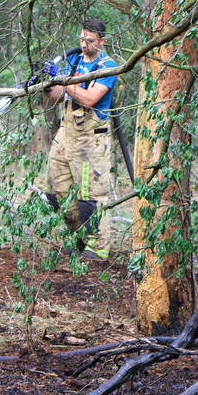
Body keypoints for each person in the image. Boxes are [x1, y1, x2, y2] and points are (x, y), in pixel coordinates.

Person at [44, 18, 119, 260]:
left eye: (89, 40)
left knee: (90, 197)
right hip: (65, 135)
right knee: (56, 192)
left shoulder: (108, 66)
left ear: (101, 41)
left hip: (90, 140)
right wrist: (47, 82)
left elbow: (88, 99)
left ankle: (98, 247)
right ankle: (78, 238)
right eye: (81, 38)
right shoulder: (75, 61)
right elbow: (57, 96)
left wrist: (65, 81)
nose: (84, 44)